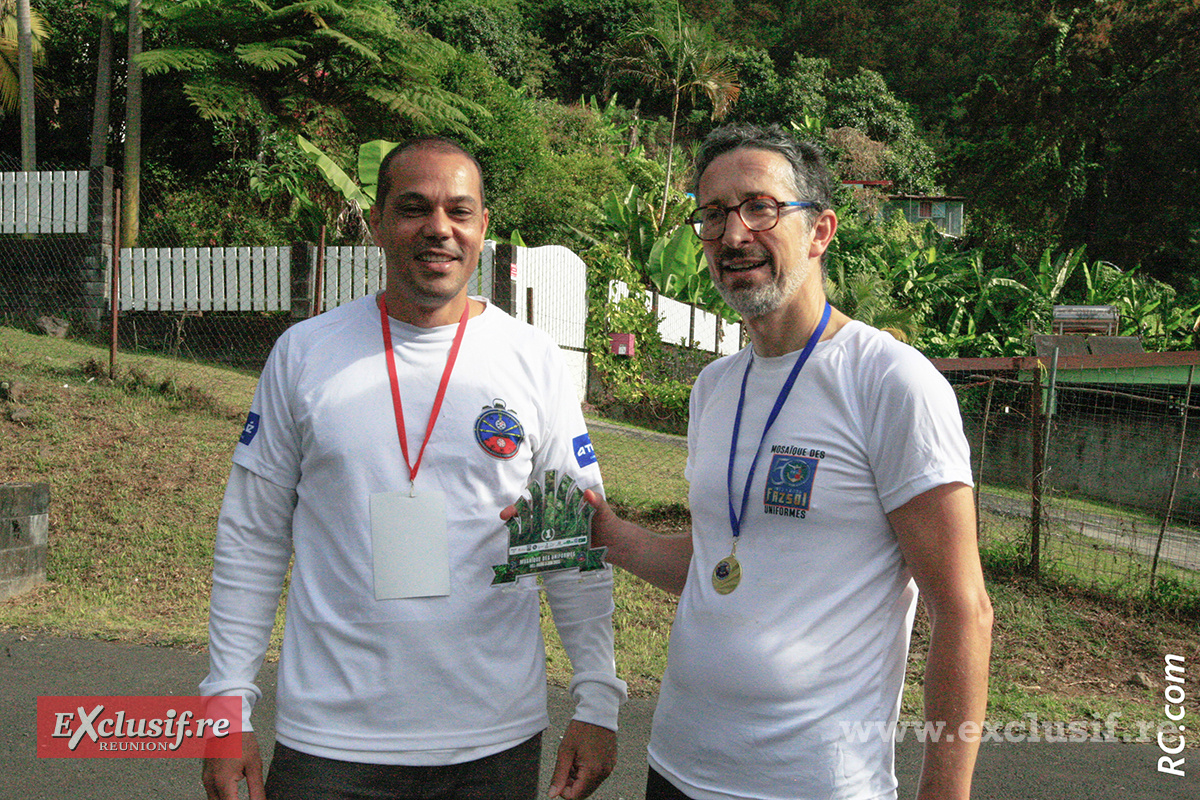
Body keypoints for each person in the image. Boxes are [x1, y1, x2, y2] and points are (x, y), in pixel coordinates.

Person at [200, 136, 626, 800]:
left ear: (483, 227)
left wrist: (598, 698)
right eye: (413, 208)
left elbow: (570, 540)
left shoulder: (533, 359)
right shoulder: (304, 355)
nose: (439, 228)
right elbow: (251, 539)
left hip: (493, 742)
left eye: (459, 210)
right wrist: (226, 710)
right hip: (330, 744)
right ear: (376, 224)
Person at [584, 124, 993, 800]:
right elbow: (729, 559)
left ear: (821, 231)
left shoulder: (889, 383)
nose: (734, 234)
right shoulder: (714, 389)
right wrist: (611, 536)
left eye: (760, 208)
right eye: (713, 214)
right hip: (679, 768)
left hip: (816, 784)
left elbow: (964, 609)